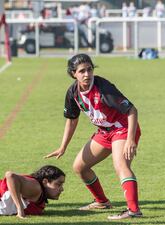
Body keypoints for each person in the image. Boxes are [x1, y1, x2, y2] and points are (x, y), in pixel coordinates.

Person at [45, 53, 142, 220]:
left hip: (122, 129)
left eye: (90, 69)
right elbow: (72, 120)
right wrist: (63, 146)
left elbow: (132, 110)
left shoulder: (103, 88)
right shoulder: (73, 93)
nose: (87, 74)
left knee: (121, 166)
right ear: (73, 73)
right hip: (104, 133)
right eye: (82, 71)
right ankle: (102, 201)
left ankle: (134, 210)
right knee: (79, 167)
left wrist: (130, 140)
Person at [0, 165, 65, 218]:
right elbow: (10, 176)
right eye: (58, 184)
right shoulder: (36, 187)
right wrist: (20, 209)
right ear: (45, 182)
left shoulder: (40, 196)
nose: (62, 189)